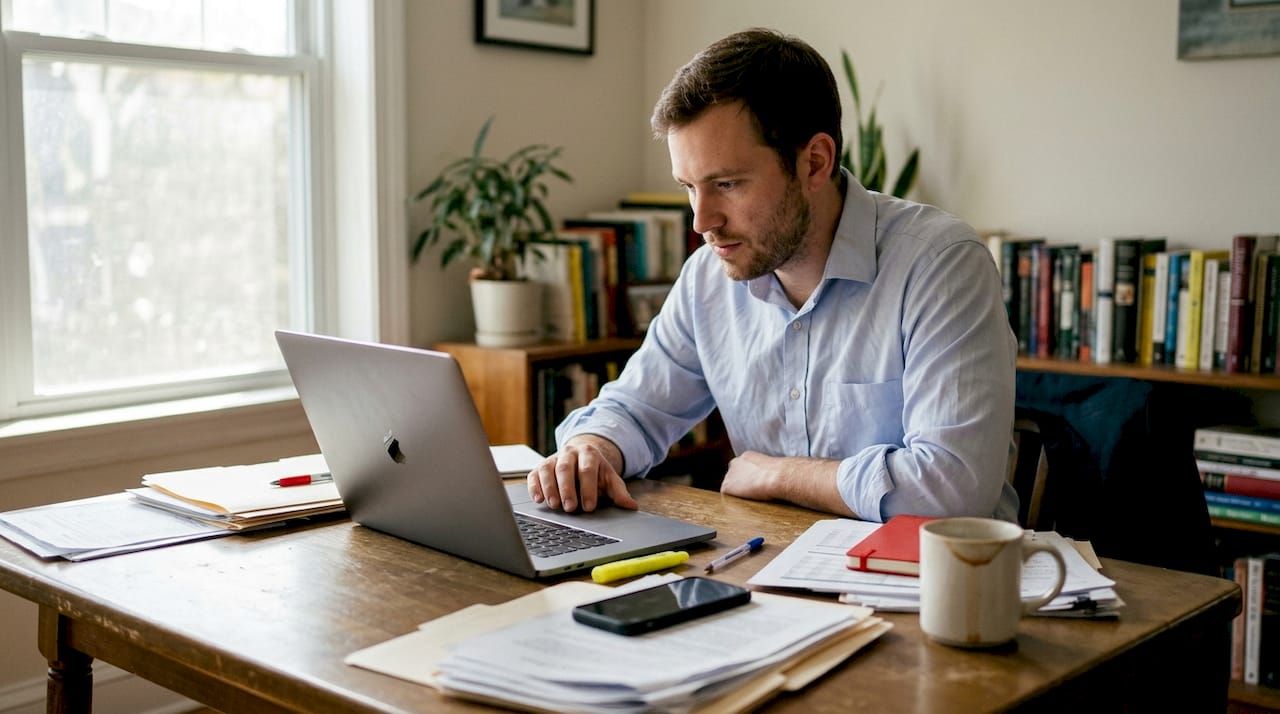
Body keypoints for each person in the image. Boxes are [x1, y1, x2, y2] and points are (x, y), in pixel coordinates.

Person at [528, 27, 1018, 523]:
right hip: (775, 569)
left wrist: (781, 474)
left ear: (815, 163)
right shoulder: (708, 279)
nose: (702, 222)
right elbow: (636, 408)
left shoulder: (941, 263)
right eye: (689, 188)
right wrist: (592, 447)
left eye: (727, 184)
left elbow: (954, 491)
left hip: (938, 584)